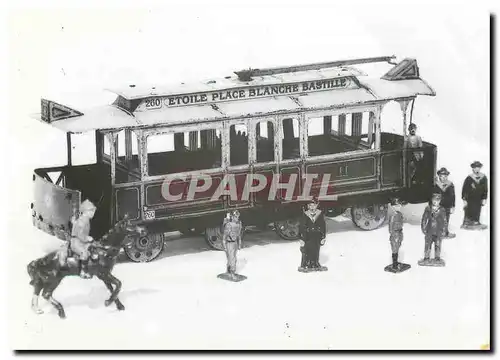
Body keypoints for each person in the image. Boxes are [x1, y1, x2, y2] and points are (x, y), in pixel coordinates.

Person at [298, 197, 327, 272]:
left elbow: (322, 225)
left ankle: (315, 263)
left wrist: (323, 236)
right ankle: (306, 264)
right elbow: (302, 226)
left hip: (317, 235)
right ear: (308, 206)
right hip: (308, 236)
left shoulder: (319, 214)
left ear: (317, 205)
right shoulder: (305, 214)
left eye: (313, 205)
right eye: (310, 205)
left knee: (316, 250)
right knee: (307, 250)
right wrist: (302, 238)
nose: (312, 207)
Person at [418, 193, 447, 266]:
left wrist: (444, 230)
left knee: (437, 244)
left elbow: (444, 221)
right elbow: (424, 219)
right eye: (434, 200)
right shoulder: (428, 208)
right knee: (427, 244)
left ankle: (437, 258)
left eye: (437, 200)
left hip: (438, 230)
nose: (435, 202)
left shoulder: (442, 210)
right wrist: (423, 227)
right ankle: (426, 258)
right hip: (429, 230)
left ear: (440, 201)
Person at [70, 199, 96, 278]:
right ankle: (83, 272)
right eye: (91, 211)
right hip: (77, 242)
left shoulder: (86, 220)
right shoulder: (83, 221)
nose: (93, 213)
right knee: (85, 253)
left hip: (80, 241)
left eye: (93, 211)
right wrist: (87, 238)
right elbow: (80, 235)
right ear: (86, 211)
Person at [385, 198, 410, 273]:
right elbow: (390, 228)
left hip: (399, 233)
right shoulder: (393, 216)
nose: (398, 207)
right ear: (393, 207)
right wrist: (393, 234)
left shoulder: (400, 214)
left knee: (398, 246)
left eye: (399, 205)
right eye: (397, 206)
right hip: (395, 234)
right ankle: (394, 263)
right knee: (394, 248)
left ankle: (396, 262)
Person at [461, 161, 488, 229]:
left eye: (478, 167)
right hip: (470, 198)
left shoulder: (484, 178)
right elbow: (465, 189)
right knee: (469, 209)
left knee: (478, 209)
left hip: (479, 198)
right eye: (475, 168)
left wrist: (484, 198)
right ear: (472, 168)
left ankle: (476, 221)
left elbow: (485, 188)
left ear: (480, 168)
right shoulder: (469, 178)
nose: (476, 169)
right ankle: (468, 223)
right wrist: (464, 198)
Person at [221, 210, 244, 281]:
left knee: (231, 258)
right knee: (232, 259)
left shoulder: (239, 224)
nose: (237, 218)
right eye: (235, 216)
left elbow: (239, 234)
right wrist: (224, 245)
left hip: (235, 243)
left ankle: (228, 271)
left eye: (237, 216)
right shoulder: (229, 225)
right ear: (232, 217)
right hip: (229, 243)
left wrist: (239, 243)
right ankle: (232, 273)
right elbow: (224, 236)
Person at [434, 167, 456, 238]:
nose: (443, 178)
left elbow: (452, 196)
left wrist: (453, 206)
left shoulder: (450, 184)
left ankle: (445, 233)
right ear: (439, 176)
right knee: (438, 219)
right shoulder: (436, 185)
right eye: (441, 176)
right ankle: (438, 233)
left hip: (447, 206)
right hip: (439, 206)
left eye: (445, 176)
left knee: (446, 219)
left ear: (447, 176)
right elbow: (433, 196)